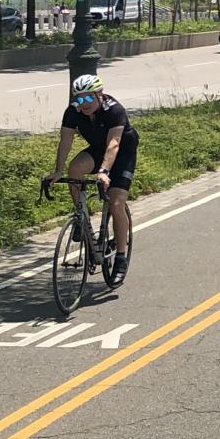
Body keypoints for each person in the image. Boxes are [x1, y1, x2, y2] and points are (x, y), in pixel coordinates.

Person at [45, 74, 138, 284]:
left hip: (123, 153)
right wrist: (58, 170)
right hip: (97, 149)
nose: (83, 104)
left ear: (100, 95)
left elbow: (114, 144)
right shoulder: (73, 111)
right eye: (79, 99)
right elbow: (66, 140)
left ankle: (121, 258)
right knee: (75, 170)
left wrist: (104, 171)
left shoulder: (114, 110)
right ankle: (81, 215)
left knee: (116, 203)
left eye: (88, 99)